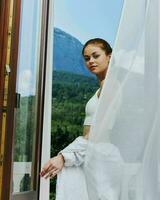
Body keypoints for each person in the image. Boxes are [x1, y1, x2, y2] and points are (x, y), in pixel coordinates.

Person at [40, 38, 116, 200]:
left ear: (109, 56)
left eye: (96, 56)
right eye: (87, 58)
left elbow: (99, 133)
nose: (91, 61)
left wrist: (63, 157)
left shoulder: (111, 86)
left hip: (103, 157)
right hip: (91, 156)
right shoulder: (102, 86)